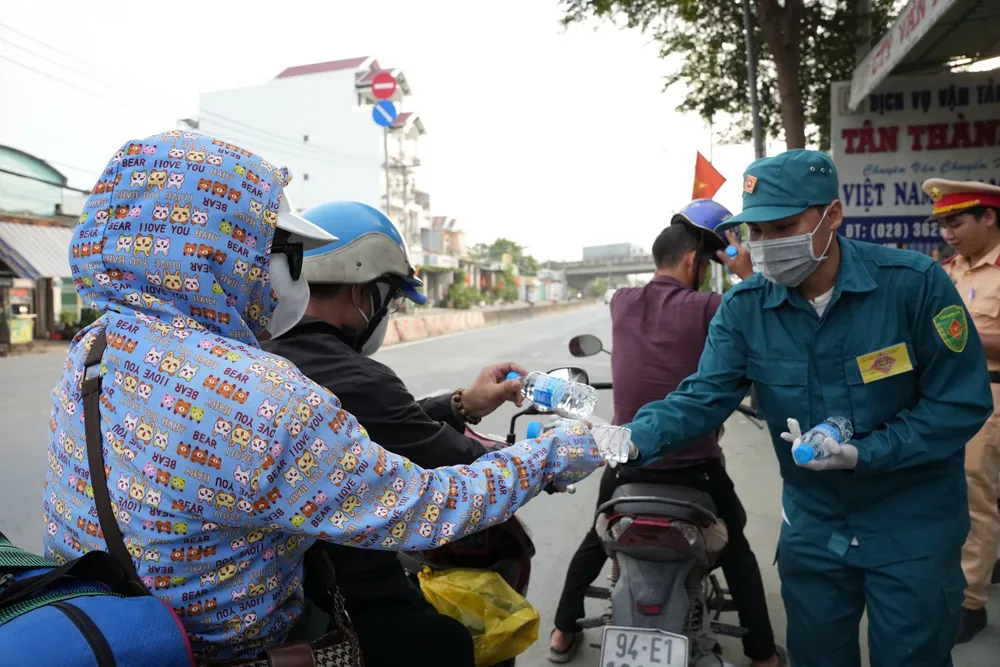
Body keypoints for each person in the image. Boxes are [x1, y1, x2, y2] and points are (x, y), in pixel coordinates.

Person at [42, 131, 604, 662]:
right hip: (246, 648)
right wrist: (554, 454)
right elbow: (428, 508)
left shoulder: (94, 349)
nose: (290, 276)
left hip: (112, 626)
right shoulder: (264, 394)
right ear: (220, 250)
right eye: (279, 250)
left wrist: (458, 404)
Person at [599, 149, 993, 667]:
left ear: (831, 215)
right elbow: (703, 396)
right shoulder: (745, 309)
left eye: (781, 226)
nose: (764, 246)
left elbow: (960, 403)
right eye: (754, 233)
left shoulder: (912, 285)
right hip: (816, 529)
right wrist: (631, 436)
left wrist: (865, 453)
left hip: (910, 526)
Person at [262, 200, 529, 666]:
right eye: (392, 297)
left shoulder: (257, 353)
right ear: (361, 293)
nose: (389, 310)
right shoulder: (360, 377)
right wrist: (546, 459)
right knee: (447, 643)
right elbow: (461, 468)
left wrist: (460, 403)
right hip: (337, 588)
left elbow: (366, 424)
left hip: (277, 581)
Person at [548, 200, 781, 666]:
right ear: (696, 262)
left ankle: (560, 632)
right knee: (737, 549)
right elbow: (768, 314)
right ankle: (761, 655)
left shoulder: (621, 302)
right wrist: (745, 273)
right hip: (695, 472)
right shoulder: (713, 308)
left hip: (627, 463)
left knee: (595, 540)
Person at [929, 178, 1000, 643]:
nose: (948, 234)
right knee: (967, 497)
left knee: (977, 498)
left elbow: (956, 335)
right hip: (957, 397)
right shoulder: (949, 271)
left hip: (992, 392)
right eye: (943, 225)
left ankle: (970, 604)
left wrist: (959, 337)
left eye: (957, 222)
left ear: (989, 217)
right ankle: (974, 583)